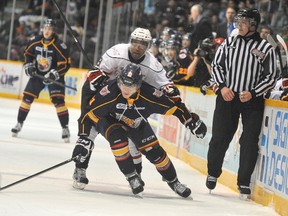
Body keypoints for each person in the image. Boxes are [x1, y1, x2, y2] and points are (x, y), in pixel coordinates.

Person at [72, 63, 207, 197]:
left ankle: (174, 181)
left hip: (137, 123)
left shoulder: (150, 94)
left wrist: (190, 121)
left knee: (156, 153)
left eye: (130, 86)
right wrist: (83, 138)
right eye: (123, 84)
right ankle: (131, 177)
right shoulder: (109, 92)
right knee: (118, 142)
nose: (125, 89)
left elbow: (176, 108)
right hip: (110, 121)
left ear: (138, 85)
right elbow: (88, 115)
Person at [72, 27, 181, 189]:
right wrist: (96, 77)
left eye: (142, 44)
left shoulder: (152, 64)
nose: (137, 47)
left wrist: (170, 90)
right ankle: (80, 169)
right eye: (135, 42)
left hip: (130, 100)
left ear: (148, 45)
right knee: (88, 132)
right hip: (105, 97)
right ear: (130, 41)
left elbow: (167, 86)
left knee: (135, 137)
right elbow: (93, 76)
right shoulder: (115, 52)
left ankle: (136, 173)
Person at [206, 8, 277, 200]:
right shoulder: (229, 42)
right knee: (220, 136)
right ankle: (213, 172)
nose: (239, 25)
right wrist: (222, 86)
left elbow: (271, 76)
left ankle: (244, 181)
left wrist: (254, 93)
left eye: (244, 22)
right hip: (227, 97)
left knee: (249, 141)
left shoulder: (266, 48)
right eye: (239, 21)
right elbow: (217, 66)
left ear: (253, 25)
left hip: (251, 101)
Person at [11, 19, 71, 143]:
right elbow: (28, 54)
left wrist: (54, 74)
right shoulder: (35, 40)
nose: (47, 31)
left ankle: (65, 128)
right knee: (27, 98)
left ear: (54, 31)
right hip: (38, 75)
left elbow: (65, 64)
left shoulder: (59, 45)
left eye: (50, 29)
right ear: (42, 29)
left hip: (54, 76)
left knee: (58, 101)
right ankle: (19, 123)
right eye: (45, 28)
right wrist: (28, 65)